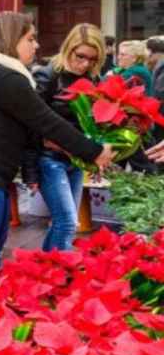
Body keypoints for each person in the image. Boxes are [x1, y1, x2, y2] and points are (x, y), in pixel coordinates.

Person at [0, 12, 112, 295]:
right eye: (30, 39)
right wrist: (94, 152)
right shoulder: (3, 76)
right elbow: (46, 121)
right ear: (10, 40)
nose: (36, 46)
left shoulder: (3, 73)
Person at [24, 23, 107, 252]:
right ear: (68, 48)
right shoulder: (48, 75)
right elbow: (32, 125)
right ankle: (60, 272)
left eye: (92, 59)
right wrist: (29, 170)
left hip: (77, 160)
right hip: (50, 158)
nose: (85, 63)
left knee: (65, 222)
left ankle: (46, 269)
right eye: (80, 56)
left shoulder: (92, 78)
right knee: (67, 221)